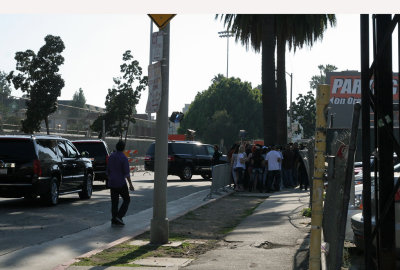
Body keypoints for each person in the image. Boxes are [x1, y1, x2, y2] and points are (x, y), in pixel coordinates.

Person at [106, 140, 135, 226]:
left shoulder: (111, 156)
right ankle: (119, 216)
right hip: (121, 183)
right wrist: (130, 184)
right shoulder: (123, 157)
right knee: (126, 199)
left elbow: (107, 171)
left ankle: (114, 218)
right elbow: (126, 173)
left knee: (114, 202)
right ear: (123, 148)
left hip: (112, 182)